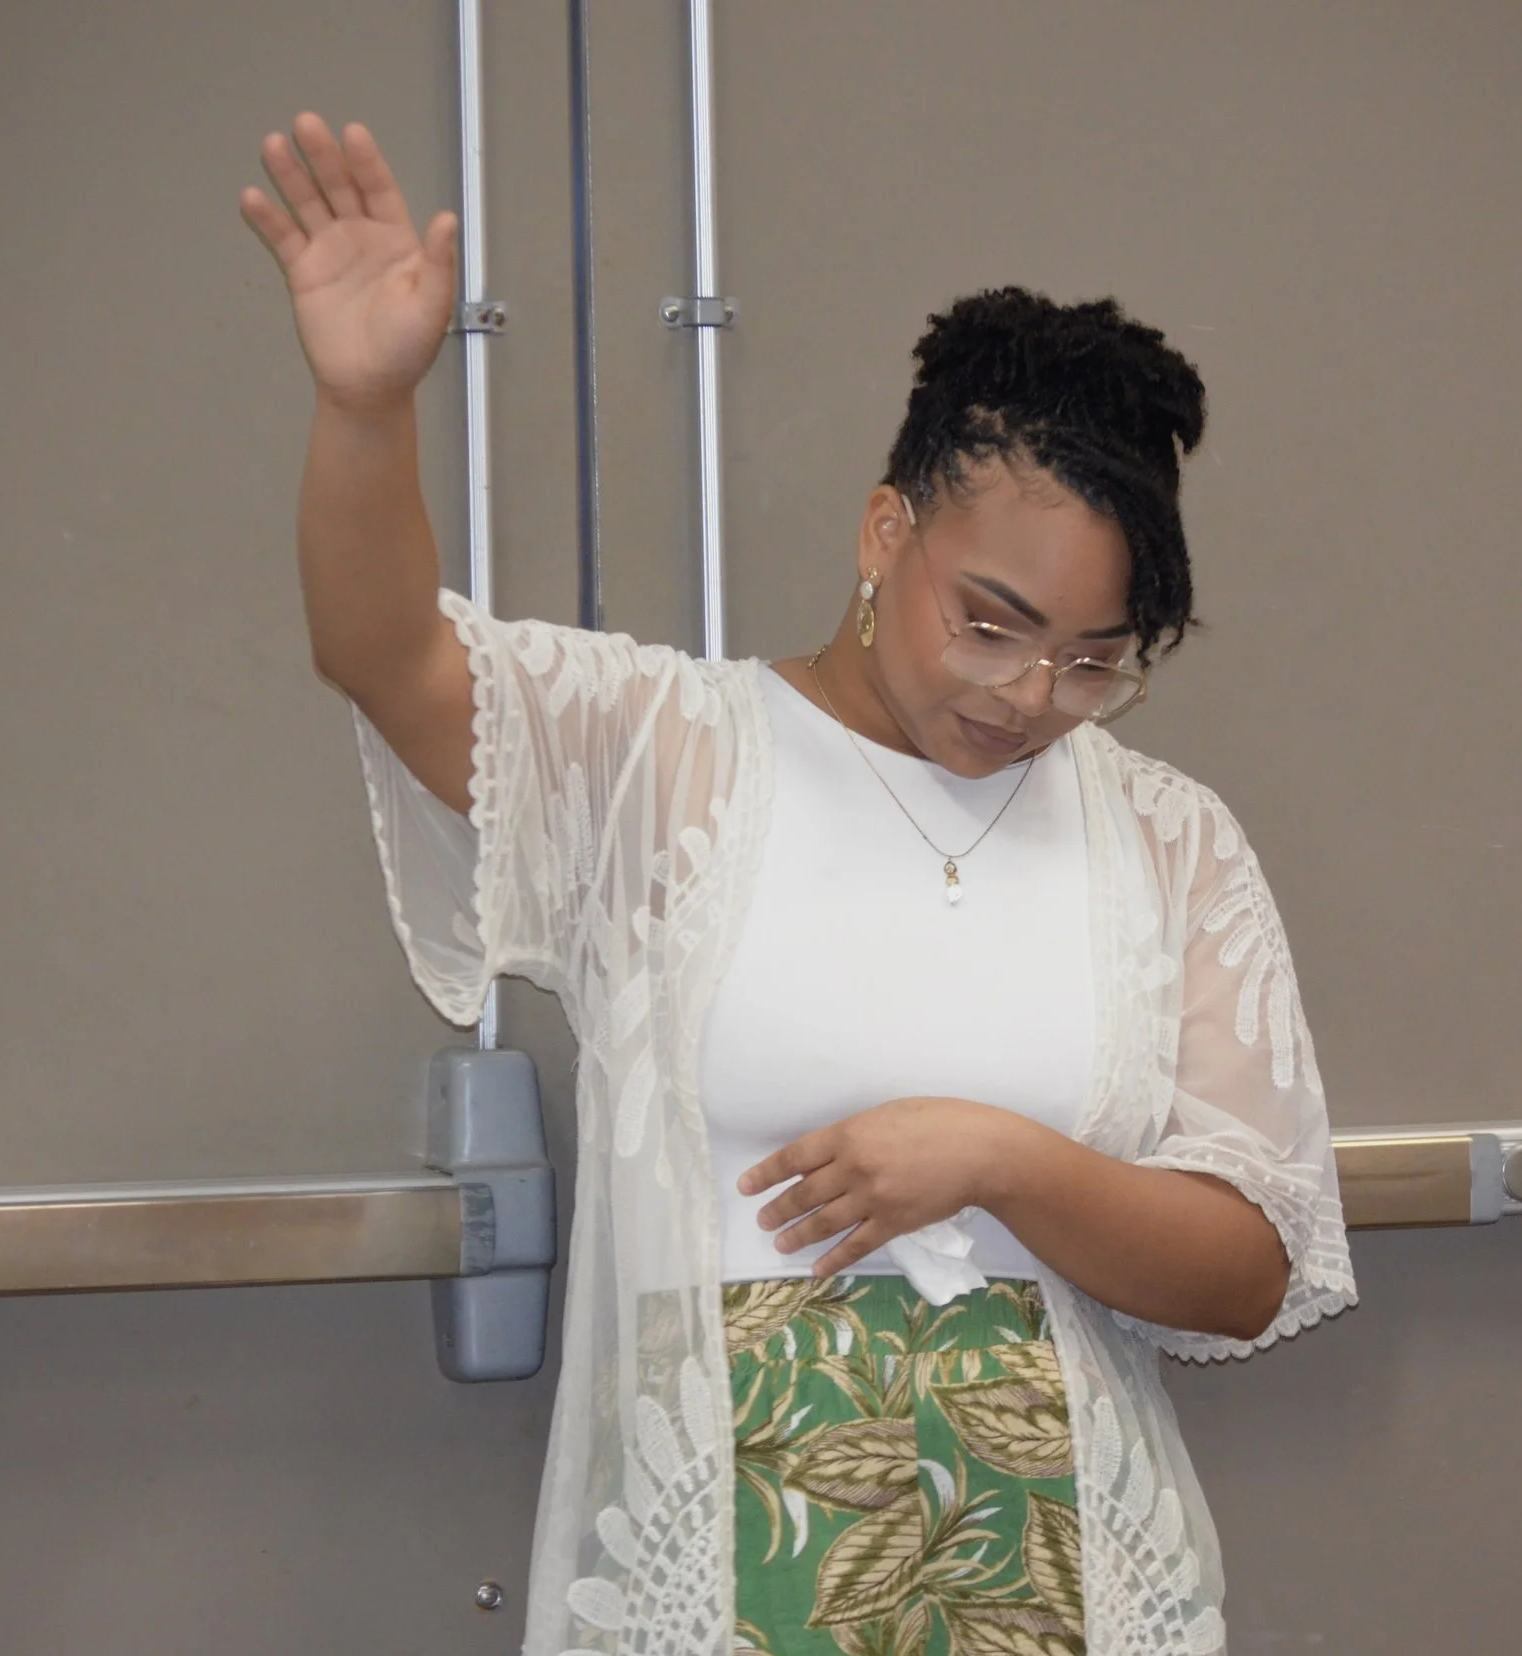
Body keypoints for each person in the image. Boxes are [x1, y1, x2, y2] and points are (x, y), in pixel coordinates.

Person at [243, 113, 1354, 1656]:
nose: (1030, 695)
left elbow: (1247, 1270)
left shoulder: (1166, 839)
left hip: (1074, 1587)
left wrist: (1000, 1159)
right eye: (991, 624)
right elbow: (384, 656)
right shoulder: (667, 754)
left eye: (1095, 660)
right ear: (885, 531)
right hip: (715, 1577)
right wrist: (365, 407)